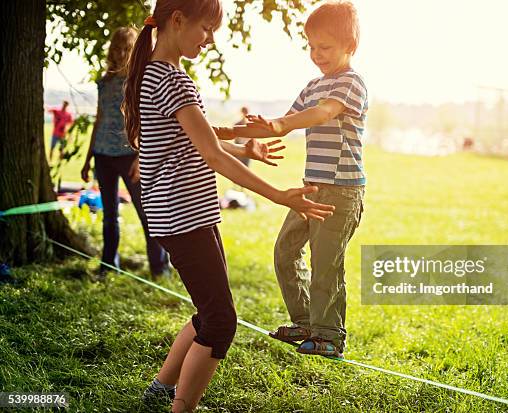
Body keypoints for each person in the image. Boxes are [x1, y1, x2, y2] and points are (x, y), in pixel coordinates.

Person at [121, 2, 335, 412]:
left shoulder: (152, 72)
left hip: (179, 215)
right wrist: (277, 195)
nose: (210, 38)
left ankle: (162, 390)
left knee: (210, 310)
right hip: (184, 218)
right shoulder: (173, 81)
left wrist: (243, 141)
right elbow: (214, 156)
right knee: (221, 322)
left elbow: (199, 137)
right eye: (206, 27)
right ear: (178, 20)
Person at [223, 0, 367, 359]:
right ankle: (306, 323)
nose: (317, 55)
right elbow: (283, 121)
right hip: (312, 187)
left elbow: (321, 114)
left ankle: (330, 336)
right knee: (285, 252)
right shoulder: (312, 85)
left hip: (342, 190)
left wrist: (283, 124)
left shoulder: (351, 83)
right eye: (312, 47)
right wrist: (249, 131)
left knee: (326, 262)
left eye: (326, 47)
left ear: (350, 45)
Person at [81, 27, 169, 281]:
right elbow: (99, 119)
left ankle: (159, 267)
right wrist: (88, 158)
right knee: (109, 215)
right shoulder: (104, 82)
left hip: (131, 156)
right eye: (116, 48)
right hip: (102, 155)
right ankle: (109, 265)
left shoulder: (140, 80)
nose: (120, 54)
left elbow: (147, 122)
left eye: (125, 49)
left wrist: (142, 157)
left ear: (133, 51)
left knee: (147, 214)